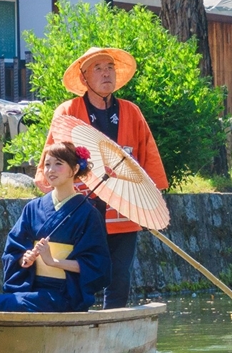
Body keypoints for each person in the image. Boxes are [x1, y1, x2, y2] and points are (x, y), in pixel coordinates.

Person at [36, 47, 168, 309]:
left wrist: (153, 200)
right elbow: (51, 161)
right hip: (81, 211)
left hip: (124, 210)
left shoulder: (132, 112)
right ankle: (73, 322)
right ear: (84, 77)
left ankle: (113, 327)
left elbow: (148, 156)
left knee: (119, 277)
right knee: (77, 271)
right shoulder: (68, 112)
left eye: (110, 67)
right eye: (98, 68)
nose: (106, 73)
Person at [0, 140, 110, 313]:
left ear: (74, 169)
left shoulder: (89, 214)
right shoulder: (33, 208)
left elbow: (97, 265)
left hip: (66, 292)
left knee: (16, 305)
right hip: (31, 286)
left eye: (58, 164)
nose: (50, 170)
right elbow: (13, 249)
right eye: (47, 164)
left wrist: (53, 261)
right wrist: (26, 258)